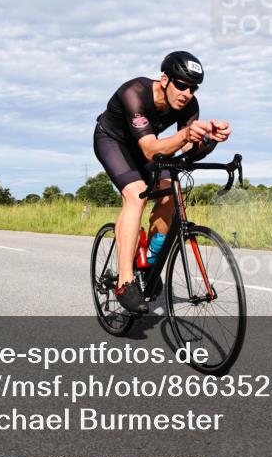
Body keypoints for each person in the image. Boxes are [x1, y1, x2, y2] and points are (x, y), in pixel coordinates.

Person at [93, 51, 231, 313]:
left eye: (193, 88)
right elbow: (149, 149)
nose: (187, 94)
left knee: (170, 193)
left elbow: (188, 150)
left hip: (149, 146)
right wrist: (186, 135)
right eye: (181, 85)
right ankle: (124, 282)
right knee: (136, 195)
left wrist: (207, 139)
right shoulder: (134, 92)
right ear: (165, 79)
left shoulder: (189, 104)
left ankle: (150, 262)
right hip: (113, 142)